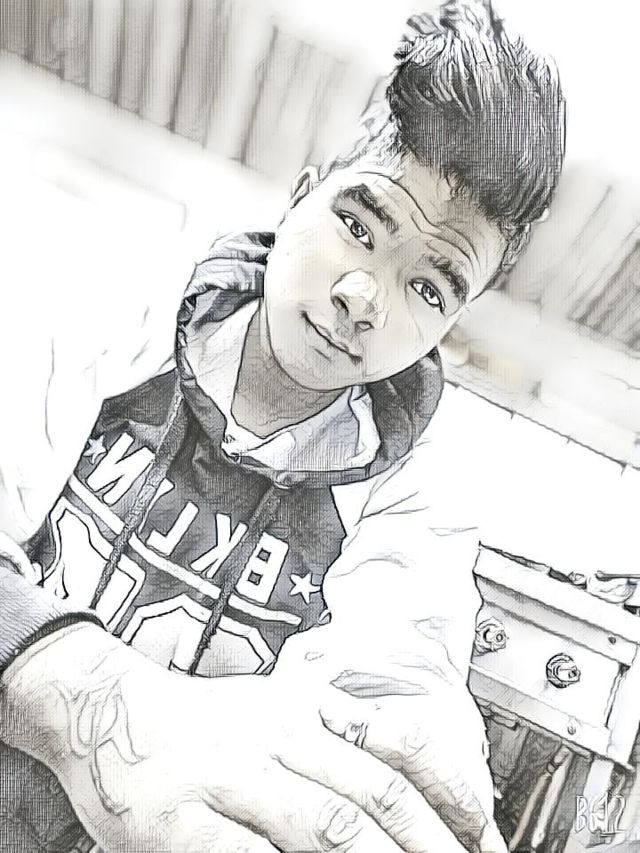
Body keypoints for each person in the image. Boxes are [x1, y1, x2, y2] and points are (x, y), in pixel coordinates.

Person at [0, 2, 564, 851]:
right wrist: (71, 684)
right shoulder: (117, 297)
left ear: (450, 325)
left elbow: (396, 678)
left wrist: (422, 751)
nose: (363, 296)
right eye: (358, 226)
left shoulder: (414, 489)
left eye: (428, 287)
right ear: (300, 195)